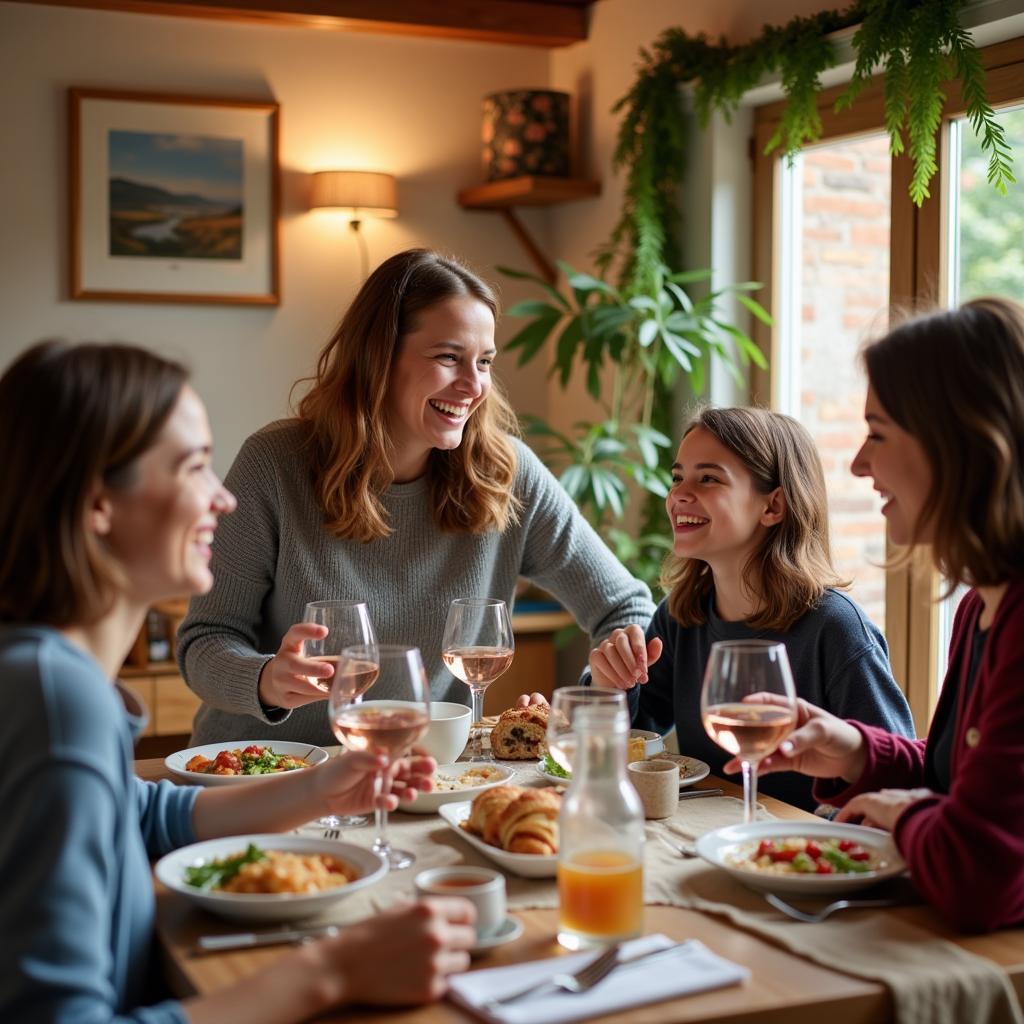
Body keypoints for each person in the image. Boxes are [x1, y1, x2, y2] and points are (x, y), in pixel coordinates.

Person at [0, 341, 476, 1023]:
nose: (222, 498)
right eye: (194, 467)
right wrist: (332, 970)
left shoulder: (44, 674)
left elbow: (137, 817)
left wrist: (317, 787)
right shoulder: (54, 700)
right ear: (98, 502)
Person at [178, 248, 655, 747]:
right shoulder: (274, 464)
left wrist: (594, 694)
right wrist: (267, 679)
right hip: (264, 771)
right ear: (379, 356)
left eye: (485, 361)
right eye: (448, 357)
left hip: (420, 780)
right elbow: (204, 642)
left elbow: (626, 609)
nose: (473, 386)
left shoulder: (507, 473)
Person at [736, 299, 1024, 932]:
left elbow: (980, 872)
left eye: (879, 432)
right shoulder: (983, 603)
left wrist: (902, 815)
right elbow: (968, 787)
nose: (859, 463)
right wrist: (858, 752)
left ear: (958, 444)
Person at [586, 407, 914, 811]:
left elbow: (895, 777)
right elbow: (638, 733)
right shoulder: (681, 615)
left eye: (708, 478)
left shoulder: (835, 627)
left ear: (772, 506)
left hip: (807, 857)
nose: (678, 495)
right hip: (712, 840)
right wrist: (610, 686)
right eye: (677, 477)